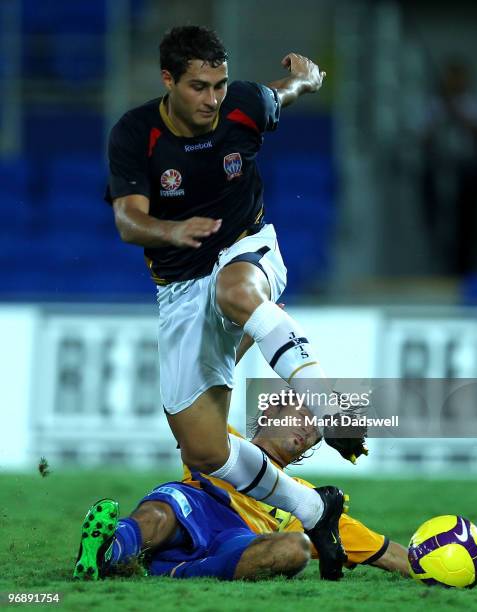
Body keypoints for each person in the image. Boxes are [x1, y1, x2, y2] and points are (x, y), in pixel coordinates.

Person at [105, 24, 367, 580]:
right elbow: (128, 220)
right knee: (204, 451)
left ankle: (323, 403)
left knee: (235, 289)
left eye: (220, 85)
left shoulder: (242, 105)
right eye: (199, 87)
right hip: (179, 288)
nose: (213, 99)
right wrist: (171, 233)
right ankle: (315, 510)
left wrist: (307, 79)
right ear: (168, 80)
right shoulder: (135, 133)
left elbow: (281, 93)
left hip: (248, 250)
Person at [73, 402, 407, 581]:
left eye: (317, 428)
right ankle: (110, 551)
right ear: (269, 411)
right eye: (303, 413)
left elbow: (388, 554)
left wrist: (443, 566)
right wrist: (246, 330)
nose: (309, 426)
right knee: (166, 507)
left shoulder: (310, 502)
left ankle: (173, 570)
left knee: (297, 550)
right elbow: (183, 401)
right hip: (198, 504)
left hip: (239, 539)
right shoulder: (223, 441)